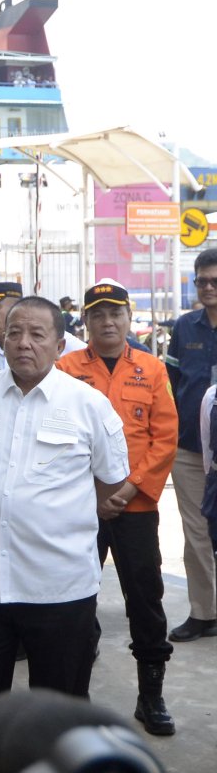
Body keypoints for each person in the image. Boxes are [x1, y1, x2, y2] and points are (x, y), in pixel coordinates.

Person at [0, 297, 129, 773]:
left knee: (59, 709)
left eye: (38, 334)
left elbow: (110, 486)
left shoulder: (88, 405)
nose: (24, 343)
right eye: (15, 332)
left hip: (59, 589)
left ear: (61, 344)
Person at [58, 282, 177, 736]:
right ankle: (76, 702)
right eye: (98, 315)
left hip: (136, 506)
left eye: (116, 314)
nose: (108, 323)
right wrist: (90, 494)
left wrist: (127, 491)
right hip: (78, 506)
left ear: (129, 318)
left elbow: (164, 438)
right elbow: (58, 435)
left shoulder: (151, 369)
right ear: (85, 322)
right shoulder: (65, 369)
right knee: (74, 599)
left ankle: (151, 696)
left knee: (145, 598)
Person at [164, 248, 217, 642]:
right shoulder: (184, 328)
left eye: (215, 281)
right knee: (196, 531)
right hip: (188, 449)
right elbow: (169, 385)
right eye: (202, 281)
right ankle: (204, 612)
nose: (209, 287)